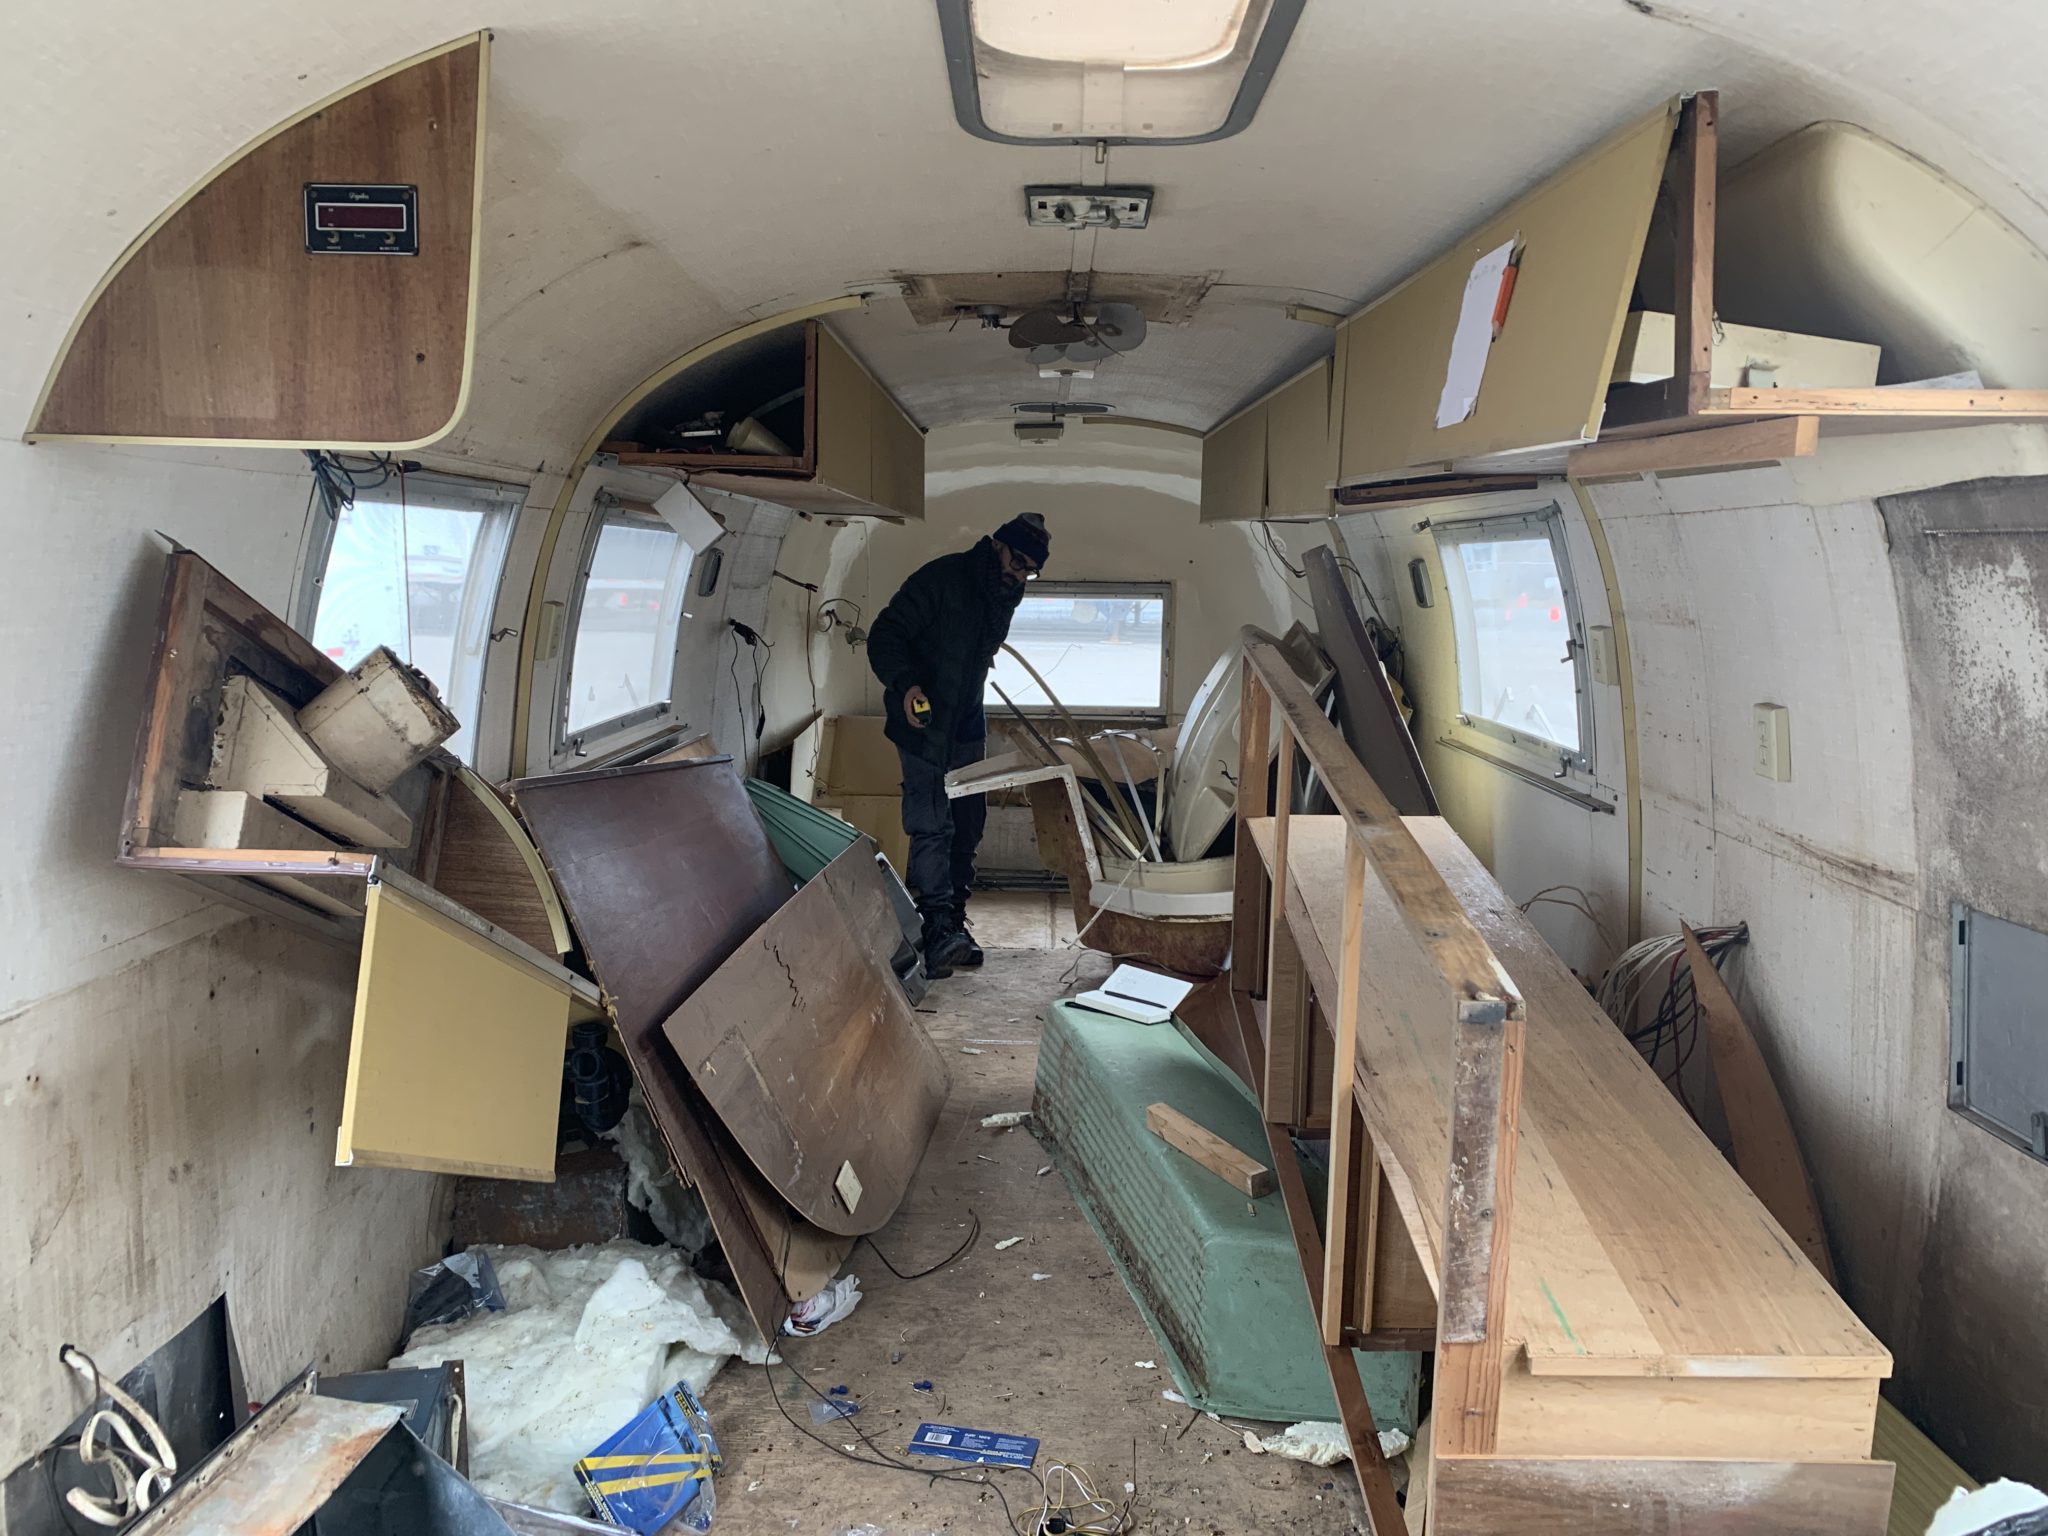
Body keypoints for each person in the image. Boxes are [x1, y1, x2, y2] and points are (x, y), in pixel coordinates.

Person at [867, 512, 1050, 978]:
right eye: (1017, 562)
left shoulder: (1005, 592)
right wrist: (907, 685)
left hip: (966, 722)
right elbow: (884, 635)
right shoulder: (942, 578)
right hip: (923, 721)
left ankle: (954, 923)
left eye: (1030, 571)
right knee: (932, 822)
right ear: (996, 545)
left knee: (968, 822)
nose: (1020, 575)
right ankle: (934, 927)